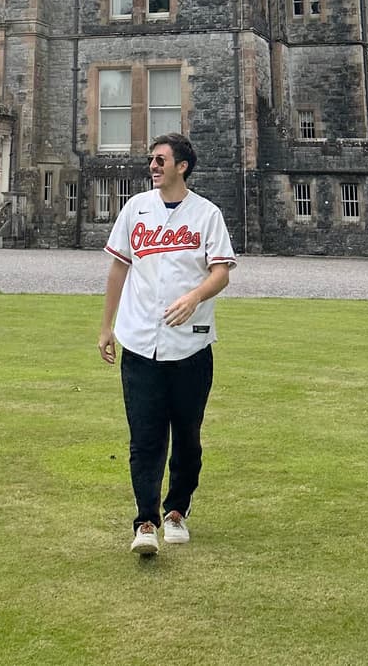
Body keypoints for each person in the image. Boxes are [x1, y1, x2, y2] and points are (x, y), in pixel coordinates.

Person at [98, 132, 236, 555]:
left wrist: (195, 297)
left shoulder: (206, 215)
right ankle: (145, 522)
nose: (153, 166)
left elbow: (221, 272)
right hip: (140, 343)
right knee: (144, 438)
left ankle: (177, 510)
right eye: (151, 159)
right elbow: (119, 270)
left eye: (161, 159)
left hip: (191, 348)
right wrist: (106, 328)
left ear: (182, 166)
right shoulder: (135, 209)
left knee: (187, 437)